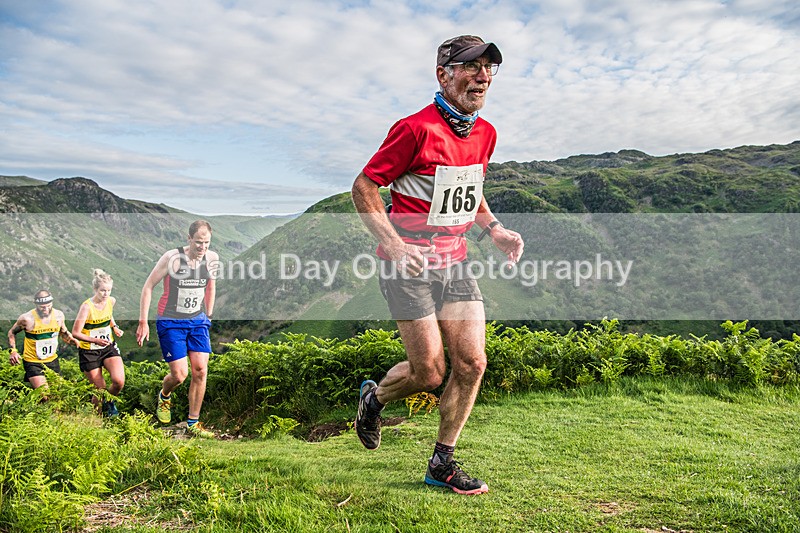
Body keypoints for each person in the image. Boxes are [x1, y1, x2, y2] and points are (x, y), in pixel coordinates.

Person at [351, 35, 524, 495]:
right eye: (470, 67)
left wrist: (494, 229)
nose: (482, 76)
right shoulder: (413, 129)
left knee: (472, 363)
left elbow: (470, 189)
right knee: (428, 373)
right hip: (407, 265)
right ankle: (374, 398)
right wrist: (395, 246)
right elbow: (364, 188)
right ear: (443, 74)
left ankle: (441, 463)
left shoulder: (485, 134)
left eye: (488, 67)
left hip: (456, 261)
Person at [136, 220, 218, 438]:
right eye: (198, 242)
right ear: (189, 239)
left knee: (200, 370)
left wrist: (208, 315)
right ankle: (164, 395)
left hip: (197, 320)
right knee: (180, 375)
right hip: (171, 321)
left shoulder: (212, 258)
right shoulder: (172, 258)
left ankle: (193, 423)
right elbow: (148, 287)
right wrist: (143, 321)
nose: (202, 247)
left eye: (207, 243)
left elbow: (211, 286)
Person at [72, 269, 125, 417]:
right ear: (95, 289)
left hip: (107, 347)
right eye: (102, 290)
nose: (106, 294)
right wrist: (95, 340)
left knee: (119, 381)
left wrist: (114, 327)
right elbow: (75, 332)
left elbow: (109, 315)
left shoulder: (111, 301)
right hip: (89, 351)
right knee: (100, 389)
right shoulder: (86, 307)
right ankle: (97, 418)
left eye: (109, 290)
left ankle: (110, 401)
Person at [7, 290, 79, 389]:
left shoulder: (59, 316)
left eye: (48, 306)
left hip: (52, 360)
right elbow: (11, 333)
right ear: (36, 304)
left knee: (56, 393)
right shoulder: (27, 319)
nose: (46, 309)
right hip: (33, 361)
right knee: (44, 394)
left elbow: (63, 332)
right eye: (42, 307)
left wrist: (72, 340)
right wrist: (13, 351)